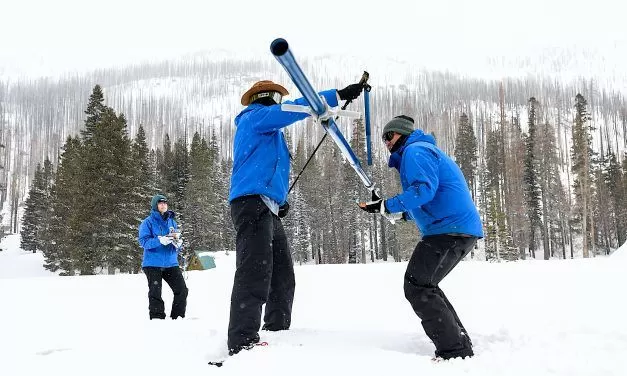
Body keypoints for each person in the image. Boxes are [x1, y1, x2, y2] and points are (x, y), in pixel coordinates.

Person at [227, 79, 364, 355]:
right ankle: (242, 340)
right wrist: (335, 96)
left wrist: (282, 200)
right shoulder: (255, 118)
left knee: (282, 274)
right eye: (278, 98)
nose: (281, 102)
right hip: (251, 204)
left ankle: (277, 330)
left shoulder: (270, 131)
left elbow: (270, 168)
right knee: (255, 271)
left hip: (268, 206)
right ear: (266, 98)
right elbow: (295, 109)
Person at [359, 115, 483, 360]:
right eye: (383, 137)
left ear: (403, 134)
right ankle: (457, 341)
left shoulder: (415, 151)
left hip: (448, 231)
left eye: (389, 136)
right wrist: (401, 213)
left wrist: (386, 205)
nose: (386, 142)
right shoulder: (421, 152)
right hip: (453, 229)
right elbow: (430, 196)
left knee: (416, 285)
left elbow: (422, 191)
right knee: (425, 284)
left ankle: (455, 350)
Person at [138, 194, 188, 320]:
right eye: (160, 203)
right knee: (155, 293)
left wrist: (178, 244)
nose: (163, 205)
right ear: (155, 205)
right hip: (152, 263)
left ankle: (178, 318)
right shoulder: (147, 222)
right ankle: (157, 319)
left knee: (182, 290)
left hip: (171, 263)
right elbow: (143, 242)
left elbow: (176, 240)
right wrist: (159, 240)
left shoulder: (172, 222)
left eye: (165, 203)